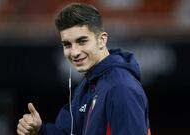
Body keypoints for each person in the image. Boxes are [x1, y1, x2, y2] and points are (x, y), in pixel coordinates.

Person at [17, 2, 151, 135]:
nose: (74, 52)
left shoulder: (120, 88)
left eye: (82, 41)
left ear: (102, 40)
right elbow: (67, 131)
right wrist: (40, 131)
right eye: (67, 44)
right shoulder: (88, 83)